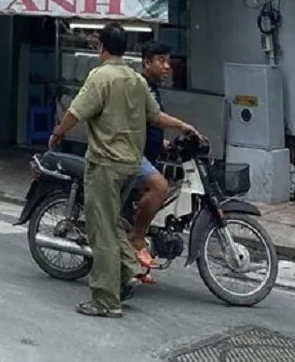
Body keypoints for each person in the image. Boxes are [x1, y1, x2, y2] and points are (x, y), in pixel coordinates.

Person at [48, 23, 197, 318]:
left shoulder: (100, 76)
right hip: (131, 164)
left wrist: (57, 133)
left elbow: (76, 111)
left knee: (101, 230)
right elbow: (154, 115)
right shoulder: (135, 79)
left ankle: (106, 300)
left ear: (101, 47)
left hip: (105, 163)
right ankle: (129, 269)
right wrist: (181, 124)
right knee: (113, 223)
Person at [125, 42, 177, 278]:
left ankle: (133, 256)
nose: (167, 66)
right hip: (130, 154)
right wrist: (184, 127)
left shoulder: (153, 87)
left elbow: (146, 123)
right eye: (160, 60)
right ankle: (137, 236)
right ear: (146, 62)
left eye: (168, 61)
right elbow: (155, 117)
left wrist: (163, 144)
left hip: (146, 153)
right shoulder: (141, 85)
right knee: (160, 186)